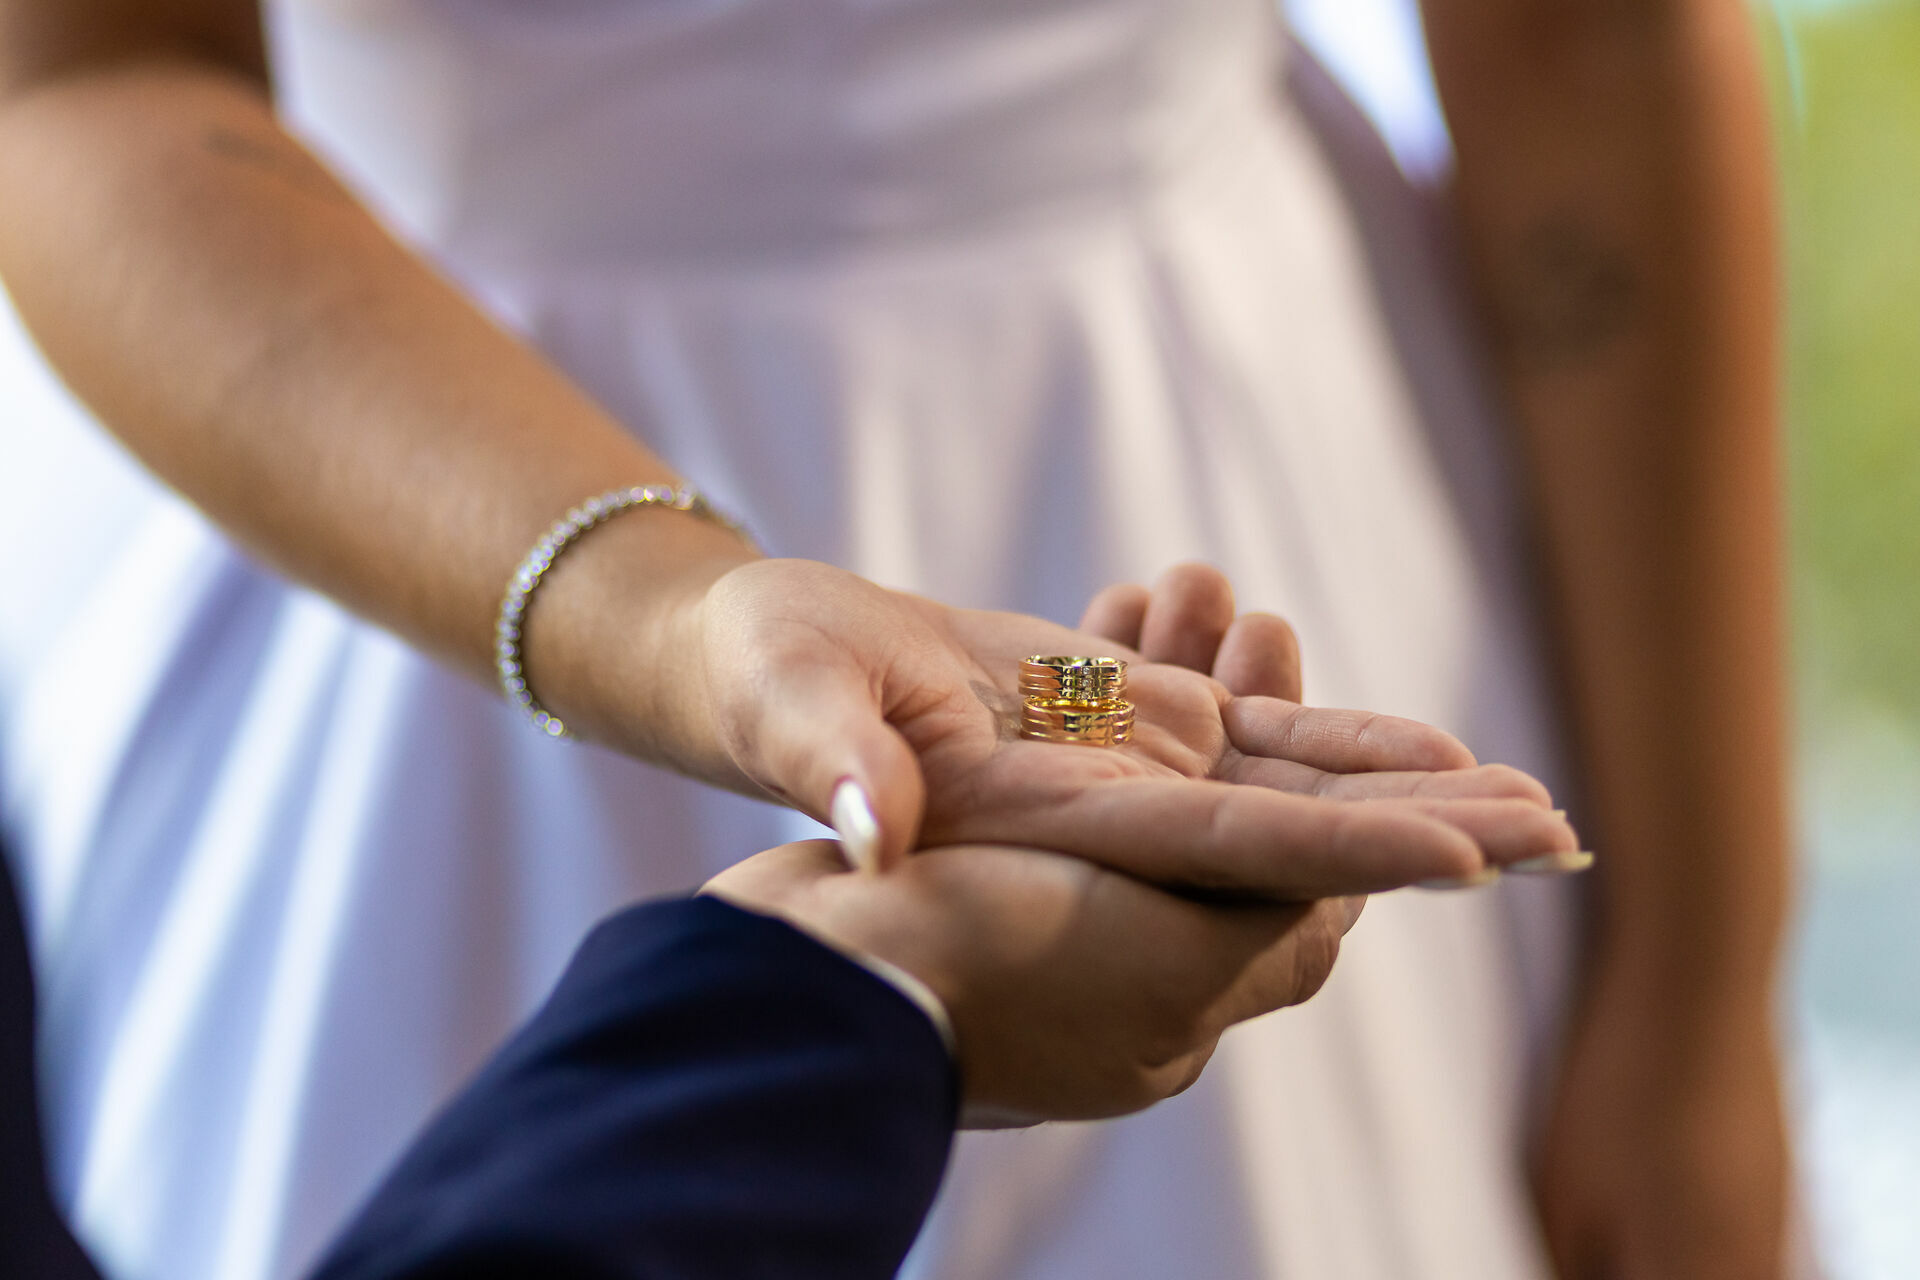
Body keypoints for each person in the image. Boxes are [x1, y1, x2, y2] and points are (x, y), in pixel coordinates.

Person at [0, 3, 1790, 1280]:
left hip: (1215, 393)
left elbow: (1595, 41)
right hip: (394, 465)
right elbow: (79, 80)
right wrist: (689, 613)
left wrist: (1700, 991)